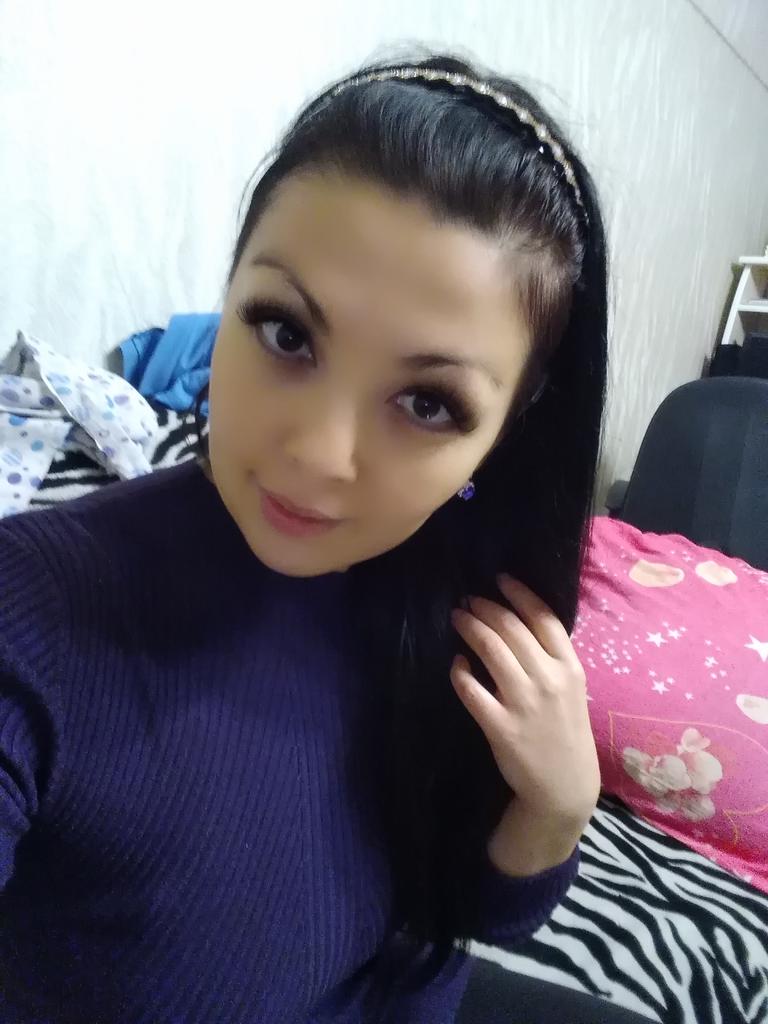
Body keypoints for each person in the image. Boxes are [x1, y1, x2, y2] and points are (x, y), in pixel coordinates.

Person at [0, 48, 618, 1023]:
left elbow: (470, 916)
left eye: (428, 402)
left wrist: (557, 806)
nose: (320, 455)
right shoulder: (33, 616)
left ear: (508, 431)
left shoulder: (462, 604)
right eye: (287, 333)